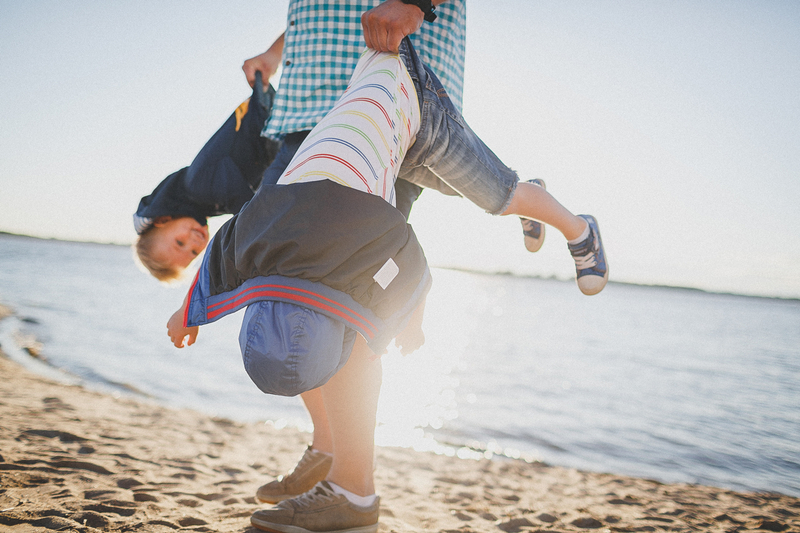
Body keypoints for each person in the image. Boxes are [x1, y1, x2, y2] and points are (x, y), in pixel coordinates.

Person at [167, 35, 608, 533]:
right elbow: (219, 256)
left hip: (412, 101)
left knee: (498, 194)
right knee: (479, 188)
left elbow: (416, 268)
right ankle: (527, 198)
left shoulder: (368, 228)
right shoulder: (259, 228)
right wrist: (187, 313)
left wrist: (412, 326)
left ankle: (576, 228)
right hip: (367, 113)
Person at [132, 73, 279, 281]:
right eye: (193, 253)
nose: (194, 243)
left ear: (163, 219)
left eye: (180, 242)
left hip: (266, 116)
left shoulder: (198, 187)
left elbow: (249, 208)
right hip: (267, 121)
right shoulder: (203, 200)